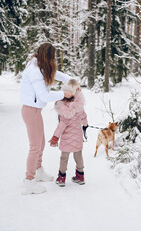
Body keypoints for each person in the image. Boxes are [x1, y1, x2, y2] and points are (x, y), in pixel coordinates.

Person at [20, 43, 75, 195]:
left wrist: (73, 83)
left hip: (35, 111)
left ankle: (38, 171)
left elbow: (59, 75)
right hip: (31, 111)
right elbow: (44, 96)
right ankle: (29, 180)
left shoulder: (41, 67)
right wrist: (64, 94)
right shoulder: (34, 72)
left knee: (41, 143)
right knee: (35, 146)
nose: (54, 59)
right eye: (53, 56)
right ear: (47, 56)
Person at [49, 79, 88, 187]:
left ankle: (61, 178)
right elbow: (84, 117)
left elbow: (61, 126)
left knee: (64, 158)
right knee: (78, 156)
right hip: (78, 137)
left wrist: (55, 137)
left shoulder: (63, 109)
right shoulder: (79, 106)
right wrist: (85, 125)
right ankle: (80, 177)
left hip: (67, 139)